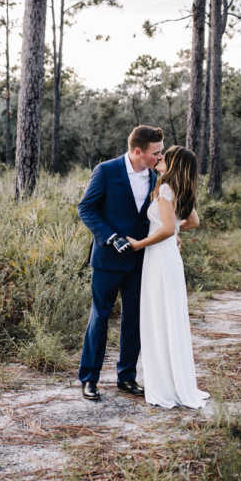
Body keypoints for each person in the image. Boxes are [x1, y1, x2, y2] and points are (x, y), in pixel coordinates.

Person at [77, 125, 164, 401]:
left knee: (134, 320)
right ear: (137, 151)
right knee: (100, 317)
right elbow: (86, 208)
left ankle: (126, 377)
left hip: (140, 260)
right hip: (107, 259)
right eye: (155, 153)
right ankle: (89, 379)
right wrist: (110, 237)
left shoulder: (155, 176)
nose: (160, 157)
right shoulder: (106, 171)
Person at [127, 146, 209, 409]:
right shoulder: (180, 189)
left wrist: (140, 244)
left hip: (159, 258)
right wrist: (175, 232)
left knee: (159, 316)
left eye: (165, 156)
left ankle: (165, 386)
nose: (160, 158)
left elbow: (164, 229)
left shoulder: (165, 189)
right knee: (168, 315)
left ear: (173, 164)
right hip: (168, 259)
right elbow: (192, 221)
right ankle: (174, 381)